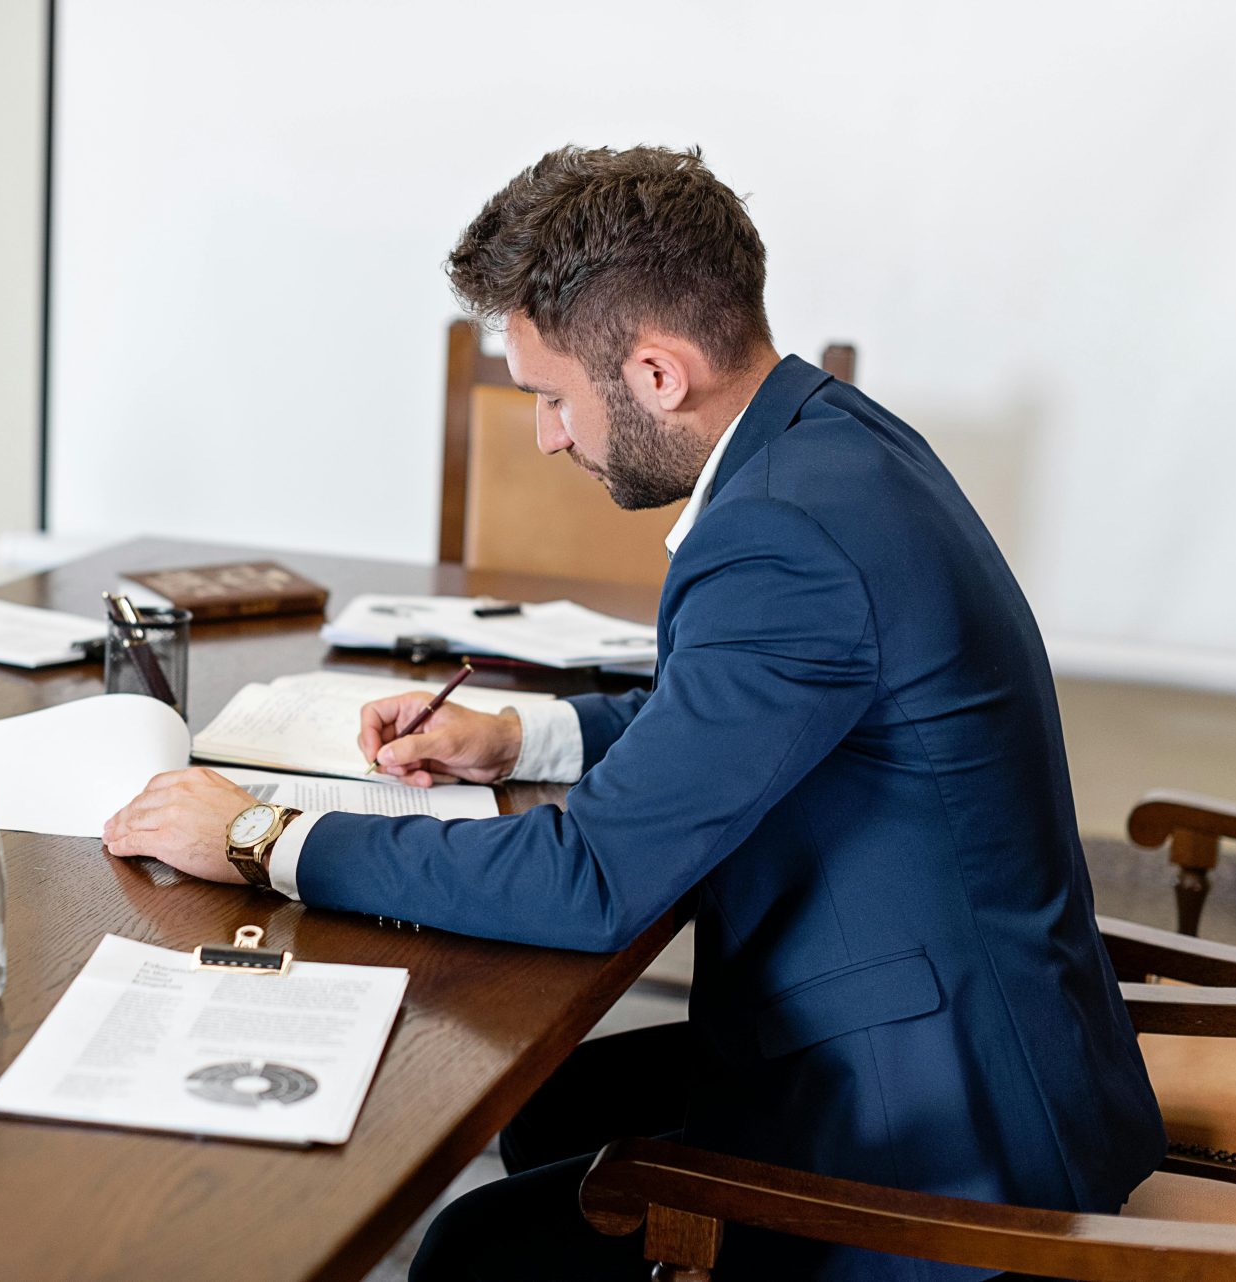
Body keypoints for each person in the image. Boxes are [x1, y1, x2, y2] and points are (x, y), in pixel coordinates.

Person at [102, 145, 1164, 1281]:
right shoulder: (830, 438)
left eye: (553, 397)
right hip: (950, 1025)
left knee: (471, 1252)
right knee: (558, 1100)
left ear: (658, 373)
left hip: (942, 1151)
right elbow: (740, 712)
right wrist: (520, 736)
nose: (549, 435)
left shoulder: (785, 535)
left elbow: (591, 881)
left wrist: (257, 836)